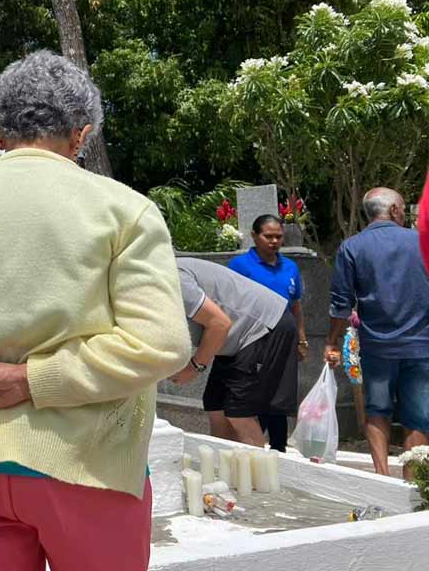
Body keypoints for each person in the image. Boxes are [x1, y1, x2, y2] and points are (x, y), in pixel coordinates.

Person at [0, 51, 191, 571]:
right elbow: (161, 345)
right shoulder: (125, 210)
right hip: (84, 462)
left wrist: (3, 369)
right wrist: (32, 380)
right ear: (82, 136)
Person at [326, 188, 429, 478]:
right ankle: (412, 485)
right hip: (421, 347)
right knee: (418, 418)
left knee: (377, 411)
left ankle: (383, 478)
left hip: (377, 348)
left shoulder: (352, 247)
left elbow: (341, 304)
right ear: (395, 210)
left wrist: (332, 341)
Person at [172, 258, 298, 448]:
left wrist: (194, 367)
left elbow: (219, 323)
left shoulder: (174, 279)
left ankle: (260, 476)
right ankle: (224, 473)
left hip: (262, 326)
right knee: (216, 406)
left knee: (239, 411)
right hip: (233, 338)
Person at [227, 214, 308, 451]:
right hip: (254, 340)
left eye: (278, 237)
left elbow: (296, 305)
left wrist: (301, 339)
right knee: (256, 392)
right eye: (268, 236)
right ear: (254, 236)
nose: (274, 241)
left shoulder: (290, 267)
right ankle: (252, 445)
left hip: (285, 340)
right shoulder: (240, 266)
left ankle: (279, 447)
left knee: (281, 395)